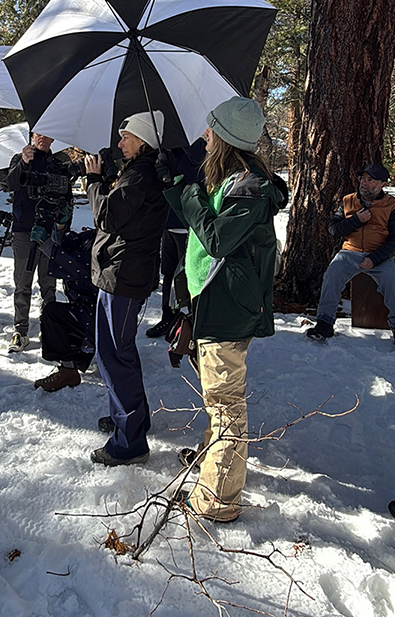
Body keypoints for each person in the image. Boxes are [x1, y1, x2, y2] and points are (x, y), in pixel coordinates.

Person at [165, 96, 288, 522]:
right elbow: (204, 225)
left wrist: (190, 194)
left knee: (226, 404)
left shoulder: (249, 187)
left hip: (230, 307)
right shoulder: (232, 180)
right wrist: (175, 185)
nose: (205, 134)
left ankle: (218, 499)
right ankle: (211, 460)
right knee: (217, 396)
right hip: (215, 300)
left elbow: (217, 238)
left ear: (226, 137)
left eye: (210, 128)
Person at [86, 111, 168, 466]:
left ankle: (130, 441)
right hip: (119, 273)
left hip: (124, 276)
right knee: (113, 352)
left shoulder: (141, 174)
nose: (120, 143)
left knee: (115, 355)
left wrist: (92, 182)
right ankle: (128, 418)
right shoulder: (137, 172)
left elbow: (107, 217)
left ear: (144, 140)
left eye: (126, 137)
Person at [307, 163, 395, 353]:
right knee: (331, 276)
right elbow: (333, 229)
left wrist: (375, 259)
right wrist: (356, 220)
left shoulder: (393, 205)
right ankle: (325, 322)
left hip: (380, 255)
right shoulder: (348, 201)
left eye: (370, 180)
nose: (364, 183)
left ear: (382, 184)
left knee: (393, 283)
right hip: (350, 252)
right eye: (363, 179)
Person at [6, 132, 73, 354]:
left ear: (53, 139)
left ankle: (49, 326)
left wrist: (63, 227)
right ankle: (20, 331)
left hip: (50, 231)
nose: (42, 138)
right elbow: (11, 184)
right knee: (22, 284)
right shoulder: (19, 159)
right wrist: (24, 163)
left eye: (47, 135)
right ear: (32, 136)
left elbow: (67, 199)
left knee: (48, 284)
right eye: (38, 134)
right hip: (24, 230)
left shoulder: (58, 164)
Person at [146, 140, 207, 338]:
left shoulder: (196, 146)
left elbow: (198, 177)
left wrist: (172, 176)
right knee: (169, 273)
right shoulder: (165, 149)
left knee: (189, 276)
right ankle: (168, 317)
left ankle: (194, 321)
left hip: (187, 223)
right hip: (167, 221)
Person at [33, 228, 97, 392]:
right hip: (94, 309)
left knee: (53, 313)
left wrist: (49, 247)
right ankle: (75, 360)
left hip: (99, 314)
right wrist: (58, 229)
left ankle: (68, 371)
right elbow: (74, 242)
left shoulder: (107, 242)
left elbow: (79, 267)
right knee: (67, 315)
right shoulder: (95, 237)